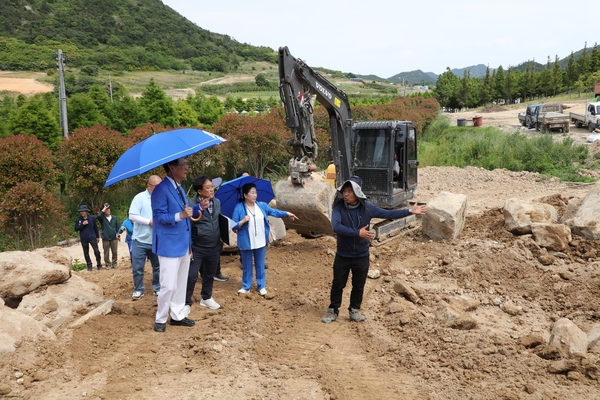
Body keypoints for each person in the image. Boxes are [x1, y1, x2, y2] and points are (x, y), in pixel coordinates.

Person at [321, 176, 427, 324]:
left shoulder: (367, 208)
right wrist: (358, 233)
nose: (345, 194)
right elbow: (336, 227)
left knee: (359, 284)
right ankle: (333, 310)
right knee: (338, 283)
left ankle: (354, 310)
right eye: (344, 191)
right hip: (343, 255)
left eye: (349, 191)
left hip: (361, 255)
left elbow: (388, 214)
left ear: (357, 193)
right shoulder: (338, 207)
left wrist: (410, 210)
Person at [152, 157, 195, 333]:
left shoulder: (179, 189)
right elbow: (159, 217)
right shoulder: (160, 190)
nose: (186, 168)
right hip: (169, 244)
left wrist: (199, 206)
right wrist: (180, 216)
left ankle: (177, 315)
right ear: (172, 167)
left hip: (183, 243)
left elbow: (185, 213)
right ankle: (160, 318)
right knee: (168, 285)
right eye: (183, 165)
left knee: (180, 282)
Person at [232, 183, 298, 296]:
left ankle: (261, 286)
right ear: (245, 195)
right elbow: (233, 225)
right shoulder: (239, 207)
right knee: (247, 265)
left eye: (255, 192)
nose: (255, 195)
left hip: (260, 240)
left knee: (260, 264)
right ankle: (246, 286)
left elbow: (274, 212)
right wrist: (242, 221)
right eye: (252, 193)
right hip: (246, 241)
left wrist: (287, 213)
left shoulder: (261, 206)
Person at [184, 175, 226, 314]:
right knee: (191, 276)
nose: (211, 190)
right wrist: (199, 208)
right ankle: (186, 302)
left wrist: (222, 237)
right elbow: (189, 220)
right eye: (207, 188)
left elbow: (219, 220)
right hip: (198, 246)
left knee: (210, 274)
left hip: (214, 245)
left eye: (212, 187)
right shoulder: (191, 205)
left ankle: (206, 297)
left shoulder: (217, 202)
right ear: (199, 192)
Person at [129, 175, 162, 300]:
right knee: (137, 267)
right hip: (140, 240)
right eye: (156, 186)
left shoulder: (162, 198)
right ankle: (138, 289)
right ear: (149, 186)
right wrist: (149, 222)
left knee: (158, 266)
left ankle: (157, 287)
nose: (159, 188)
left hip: (157, 240)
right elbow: (132, 216)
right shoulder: (140, 198)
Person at [74, 204, 102, 271]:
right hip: (84, 238)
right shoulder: (78, 219)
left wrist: (97, 236)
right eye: (81, 211)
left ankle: (99, 264)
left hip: (92, 237)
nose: (82, 213)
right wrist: (82, 224)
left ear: (86, 211)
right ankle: (89, 265)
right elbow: (76, 228)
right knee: (86, 253)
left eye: (83, 211)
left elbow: (95, 227)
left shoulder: (92, 218)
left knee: (96, 251)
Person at [97, 203, 119, 269]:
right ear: (104, 211)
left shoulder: (114, 218)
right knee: (106, 252)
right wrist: (104, 208)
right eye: (106, 209)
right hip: (105, 237)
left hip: (113, 237)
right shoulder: (102, 218)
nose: (108, 210)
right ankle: (108, 264)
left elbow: (117, 226)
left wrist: (118, 234)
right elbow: (99, 216)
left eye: (109, 209)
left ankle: (114, 263)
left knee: (114, 252)